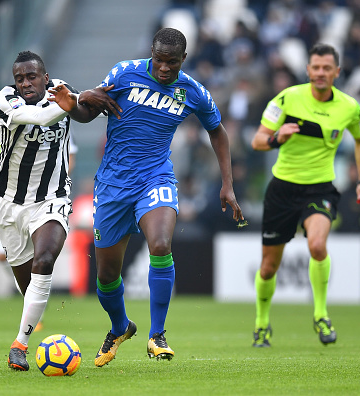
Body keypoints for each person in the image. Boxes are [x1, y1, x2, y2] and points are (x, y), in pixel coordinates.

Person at [50, 27, 244, 366]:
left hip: (156, 178)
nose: (165, 68)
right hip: (112, 186)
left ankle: (157, 335)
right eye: (159, 61)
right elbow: (88, 111)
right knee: (107, 276)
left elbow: (218, 131)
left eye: (172, 62)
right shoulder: (124, 73)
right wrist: (72, 105)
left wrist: (227, 184)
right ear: (151, 55)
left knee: (160, 245)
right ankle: (120, 326)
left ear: (184, 59)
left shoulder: (194, 91)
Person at [0, 51, 119, 371]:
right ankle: (32, 319)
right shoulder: (6, 99)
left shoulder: (61, 88)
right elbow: (38, 117)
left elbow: (83, 114)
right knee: (27, 284)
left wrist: (79, 102)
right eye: (20, 78)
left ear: (45, 77)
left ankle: (19, 345)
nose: (25, 83)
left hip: (52, 199)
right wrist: (76, 99)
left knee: (44, 260)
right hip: (11, 204)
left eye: (32, 77)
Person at [250, 43, 360, 347]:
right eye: (315, 67)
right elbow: (258, 141)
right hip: (282, 189)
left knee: (317, 245)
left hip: (320, 188)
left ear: (337, 72)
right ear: (308, 70)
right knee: (268, 267)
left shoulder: (349, 107)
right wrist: (279, 137)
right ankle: (262, 324)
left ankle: (321, 315)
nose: (320, 73)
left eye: (326, 68)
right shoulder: (287, 98)